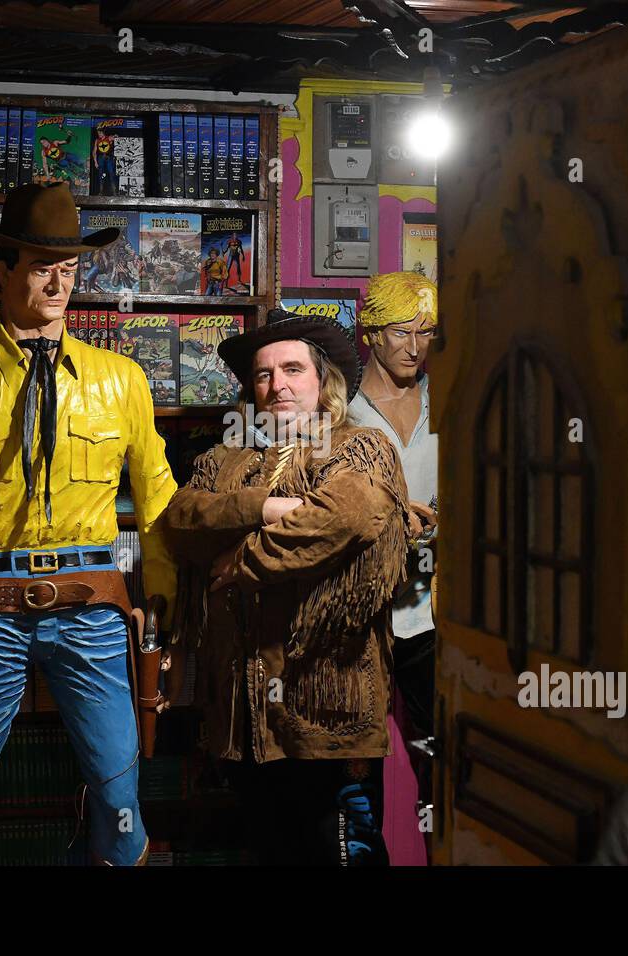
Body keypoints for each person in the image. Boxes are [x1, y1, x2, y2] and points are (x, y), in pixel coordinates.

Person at [161, 310, 410, 866]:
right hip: (245, 721)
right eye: (264, 374)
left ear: (322, 380)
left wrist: (242, 558)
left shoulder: (359, 447)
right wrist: (264, 505)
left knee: (345, 855)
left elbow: (345, 519)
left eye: (292, 369)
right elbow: (179, 521)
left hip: (329, 710)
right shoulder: (224, 459)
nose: (278, 386)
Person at [0, 183, 178, 866]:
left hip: (91, 606)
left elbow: (155, 493)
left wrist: (163, 596)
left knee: (121, 801)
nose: (59, 283)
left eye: (69, 269)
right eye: (42, 266)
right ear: (4, 271)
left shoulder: (121, 379)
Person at [348, 270, 439, 826]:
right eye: (401, 332)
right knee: (357, 765)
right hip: (363, 615)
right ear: (372, 334)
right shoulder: (342, 413)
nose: (414, 346)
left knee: (442, 757)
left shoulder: (448, 401)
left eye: (425, 332)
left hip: (431, 611)